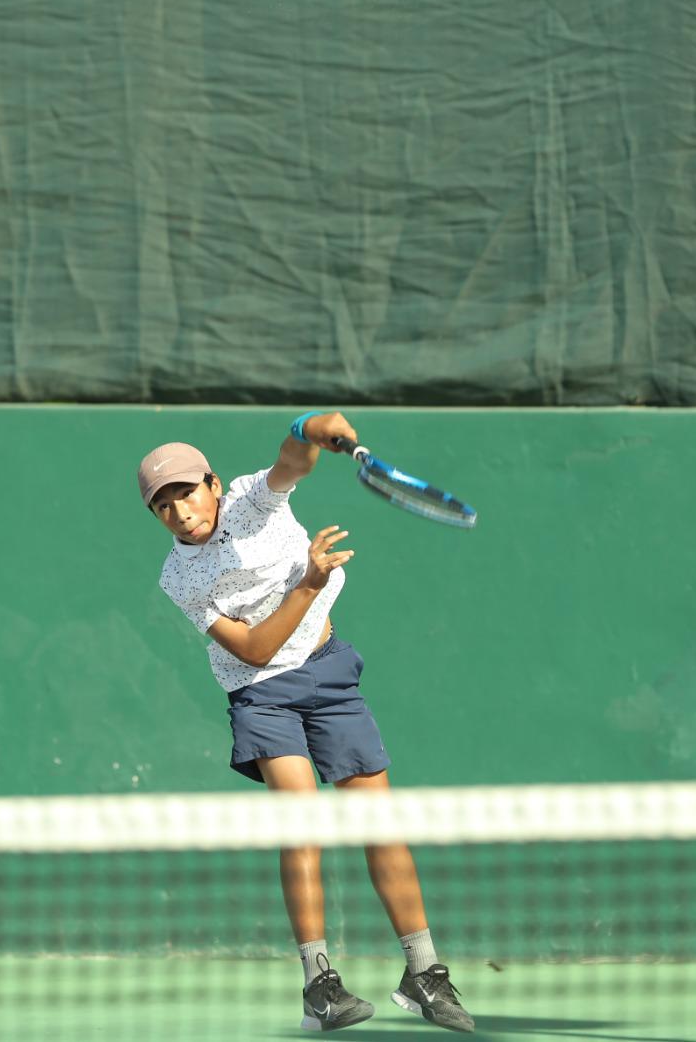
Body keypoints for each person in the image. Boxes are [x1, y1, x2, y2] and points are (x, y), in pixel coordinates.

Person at [137, 411, 475, 1034]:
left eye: (185, 492)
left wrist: (313, 426)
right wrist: (308, 581)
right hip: (260, 694)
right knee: (303, 826)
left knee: (380, 824)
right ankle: (320, 986)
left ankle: (423, 974)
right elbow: (255, 652)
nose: (179, 511)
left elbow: (292, 460)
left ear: (212, 485)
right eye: (163, 505)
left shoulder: (251, 501)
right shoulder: (178, 576)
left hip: (328, 673)